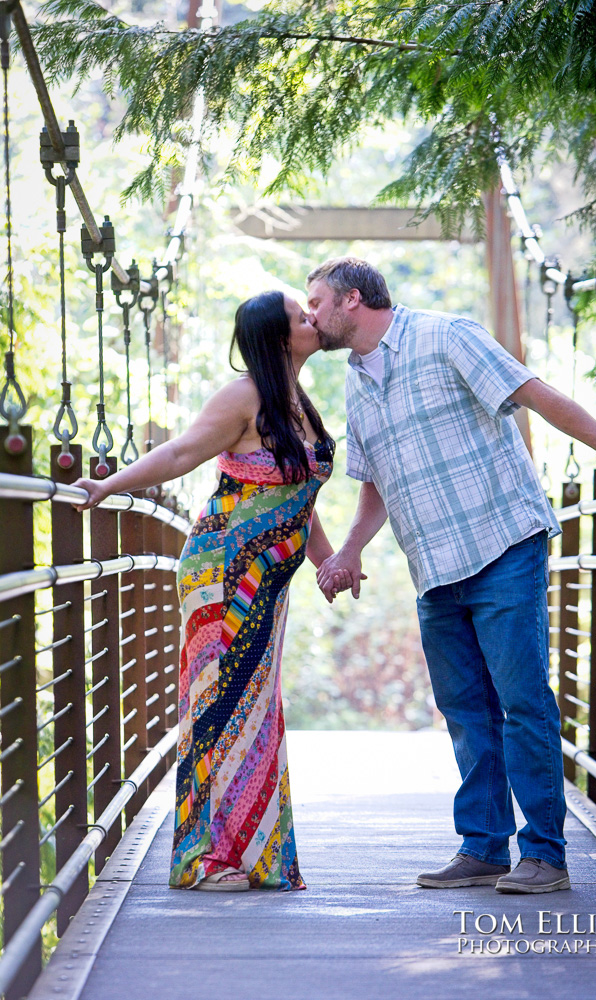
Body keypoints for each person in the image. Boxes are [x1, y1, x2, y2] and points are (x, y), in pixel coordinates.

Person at [307, 256, 596, 895]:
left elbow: (534, 393)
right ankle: (483, 847)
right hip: (434, 567)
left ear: (351, 300)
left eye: (316, 303)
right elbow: (375, 487)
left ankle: (545, 856)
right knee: (466, 710)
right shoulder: (356, 384)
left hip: (503, 544)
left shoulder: (447, 335)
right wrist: (350, 549)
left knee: (523, 701)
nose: (310, 317)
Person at [73, 290, 339, 892]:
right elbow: (182, 452)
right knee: (219, 706)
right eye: (302, 317)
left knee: (253, 708)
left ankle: (253, 852)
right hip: (222, 575)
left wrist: (327, 562)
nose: (314, 320)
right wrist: (111, 486)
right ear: (277, 338)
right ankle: (204, 859)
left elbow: (297, 495)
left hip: (267, 582)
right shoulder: (244, 396)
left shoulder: (297, 400)